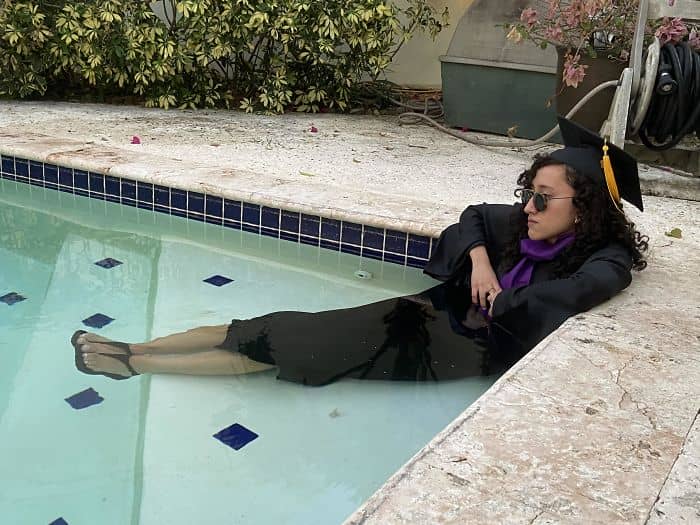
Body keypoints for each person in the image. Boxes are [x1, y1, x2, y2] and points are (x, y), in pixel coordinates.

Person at [72, 117, 649, 385]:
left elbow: (579, 291)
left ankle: (137, 363)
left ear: (583, 208)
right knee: (287, 328)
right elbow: (473, 216)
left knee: (300, 347)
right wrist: (478, 262)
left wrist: (504, 300)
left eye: (543, 198)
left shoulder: (604, 260)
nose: (529, 206)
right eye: (528, 192)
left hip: (460, 349)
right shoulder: (520, 225)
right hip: (426, 314)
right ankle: (133, 349)